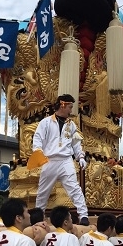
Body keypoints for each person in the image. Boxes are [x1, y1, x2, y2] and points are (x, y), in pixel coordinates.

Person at [32, 94, 89, 226]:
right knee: (43, 191)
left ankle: (84, 215)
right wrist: (38, 151)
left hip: (66, 160)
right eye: (70, 107)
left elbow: (76, 144)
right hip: (49, 160)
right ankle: (38, 218)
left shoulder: (71, 124)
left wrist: (80, 156)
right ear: (62, 105)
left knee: (75, 188)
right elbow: (38, 139)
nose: (71, 110)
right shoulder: (45, 122)